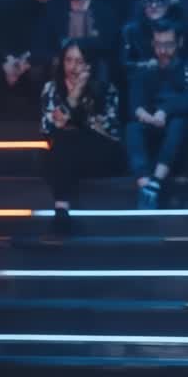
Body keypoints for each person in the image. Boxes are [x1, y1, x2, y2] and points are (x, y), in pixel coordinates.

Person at [41, 38, 123, 233]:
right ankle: (61, 211)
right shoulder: (51, 89)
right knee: (62, 140)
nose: (73, 67)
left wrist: (80, 109)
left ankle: (62, 210)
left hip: (99, 151)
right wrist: (74, 95)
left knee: (68, 138)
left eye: (79, 61)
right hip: (64, 152)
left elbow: (110, 130)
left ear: (89, 64)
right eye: (68, 60)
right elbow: (51, 125)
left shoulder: (106, 89)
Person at [123, 20, 188, 209]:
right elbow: (135, 103)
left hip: (179, 131)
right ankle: (145, 186)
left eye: (168, 45)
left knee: (179, 123)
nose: (163, 50)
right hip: (152, 125)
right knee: (132, 128)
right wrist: (145, 115)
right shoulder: (146, 68)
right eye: (158, 45)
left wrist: (165, 111)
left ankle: (156, 181)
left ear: (179, 42)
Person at [0, 0, 60, 119]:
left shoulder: (64, 8)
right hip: (21, 63)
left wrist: (32, 58)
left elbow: (62, 44)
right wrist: (10, 58)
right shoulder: (17, 9)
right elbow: (4, 38)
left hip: (52, 62)